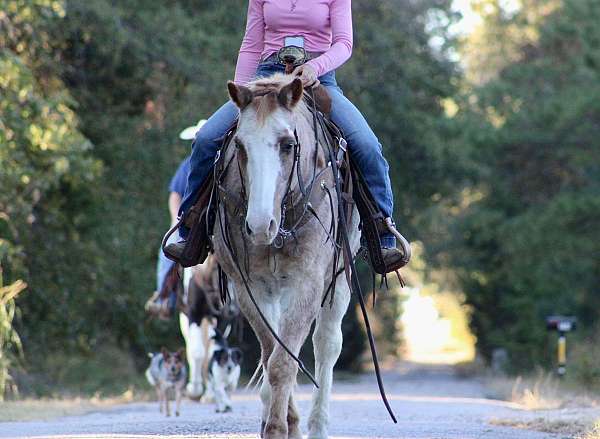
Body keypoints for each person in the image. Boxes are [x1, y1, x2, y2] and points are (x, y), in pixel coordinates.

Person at [165, 0, 409, 272]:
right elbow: (251, 44)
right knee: (206, 138)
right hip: (266, 75)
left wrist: (316, 67)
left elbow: (344, 43)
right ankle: (190, 227)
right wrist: (241, 99)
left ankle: (382, 232)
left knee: (367, 145)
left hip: (317, 77)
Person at [145, 120, 206, 319]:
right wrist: (176, 220)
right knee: (168, 249)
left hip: (215, 221)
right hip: (191, 221)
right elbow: (175, 196)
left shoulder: (224, 162)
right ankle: (164, 299)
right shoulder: (188, 164)